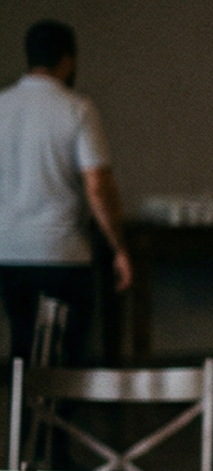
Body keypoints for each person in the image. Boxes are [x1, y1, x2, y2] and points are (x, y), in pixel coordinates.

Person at [0, 20, 130, 363]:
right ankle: (57, 417)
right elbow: (98, 187)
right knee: (66, 361)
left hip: (8, 252)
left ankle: (22, 417)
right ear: (68, 59)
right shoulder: (77, 109)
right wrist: (118, 247)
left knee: (22, 351)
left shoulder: (2, 106)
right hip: (62, 254)